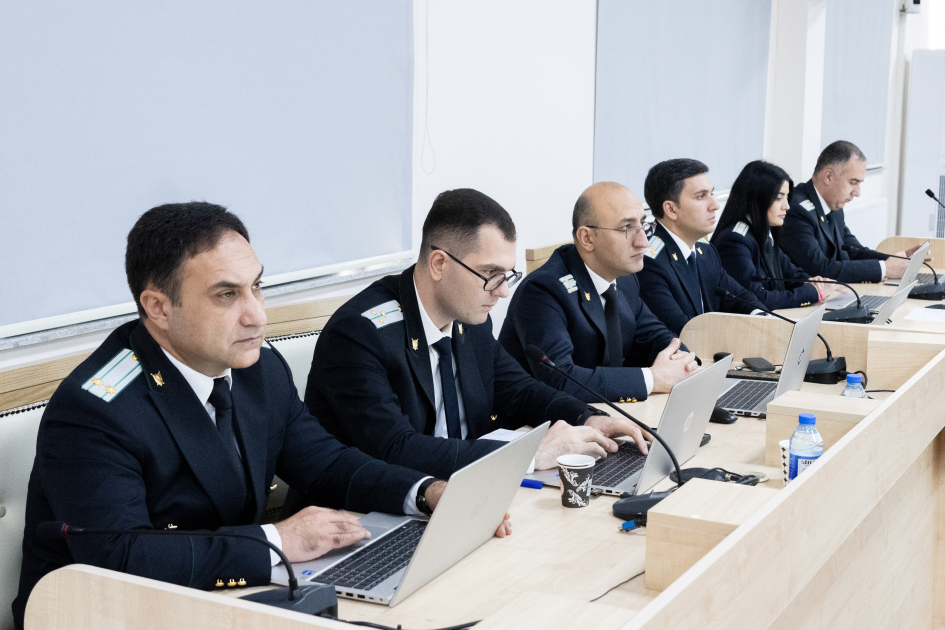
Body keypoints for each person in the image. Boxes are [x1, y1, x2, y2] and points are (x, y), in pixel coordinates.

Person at [13, 203, 485, 630]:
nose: (256, 315)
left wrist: (424, 492)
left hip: (217, 600)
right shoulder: (95, 411)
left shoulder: (258, 368)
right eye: (226, 295)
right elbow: (119, 558)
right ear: (158, 307)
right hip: (97, 615)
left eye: (256, 286)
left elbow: (324, 462)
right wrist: (275, 540)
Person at [303, 189, 651, 484]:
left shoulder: (470, 319)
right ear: (439, 264)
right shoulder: (358, 336)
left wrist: (587, 418)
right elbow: (395, 449)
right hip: (367, 514)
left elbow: (519, 390)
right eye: (490, 273)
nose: (502, 291)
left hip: (464, 490)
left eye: (507, 274)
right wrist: (529, 454)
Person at [498, 181, 698, 404]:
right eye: (626, 228)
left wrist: (683, 362)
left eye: (643, 225)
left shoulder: (625, 278)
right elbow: (560, 379)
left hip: (606, 411)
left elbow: (654, 335)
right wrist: (653, 378)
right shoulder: (542, 291)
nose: (643, 241)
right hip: (544, 421)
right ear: (587, 238)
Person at [636, 158, 766, 335]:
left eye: (711, 194)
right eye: (701, 196)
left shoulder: (705, 250)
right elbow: (682, 330)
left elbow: (741, 297)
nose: (715, 205)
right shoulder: (649, 262)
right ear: (671, 209)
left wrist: (761, 317)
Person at [780, 140, 921, 283]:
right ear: (828, 177)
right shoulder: (795, 210)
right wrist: (885, 268)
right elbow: (819, 269)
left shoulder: (833, 204)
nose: (857, 192)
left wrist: (897, 261)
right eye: (853, 182)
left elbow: (854, 251)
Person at [711, 160, 846, 310]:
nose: (786, 206)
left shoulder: (763, 232)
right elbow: (757, 299)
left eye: (787, 197)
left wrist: (815, 283)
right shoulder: (734, 241)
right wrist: (813, 292)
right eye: (779, 198)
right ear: (758, 198)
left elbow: (789, 272)